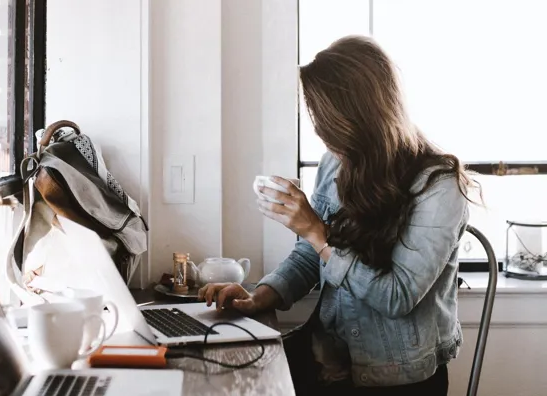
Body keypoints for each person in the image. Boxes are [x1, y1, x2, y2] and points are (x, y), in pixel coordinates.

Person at [198, 35, 477, 396]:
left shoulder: (439, 188)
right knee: (224, 377)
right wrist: (258, 297)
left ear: (362, 117)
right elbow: (309, 256)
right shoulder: (337, 163)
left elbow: (397, 296)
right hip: (327, 356)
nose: (321, 134)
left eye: (327, 122)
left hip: (394, 377)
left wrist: (317, 232)